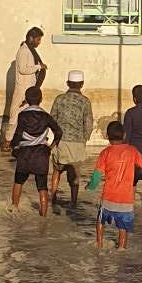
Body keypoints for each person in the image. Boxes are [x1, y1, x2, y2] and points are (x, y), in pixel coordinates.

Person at [87, 121, 142, 249]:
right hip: (126, 200)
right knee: (123, 227)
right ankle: (121, 248)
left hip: (108, 198)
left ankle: (99, 244)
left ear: (107, 136)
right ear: (124, 135)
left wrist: (91, 186)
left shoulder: (105, 153)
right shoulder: (132, 151)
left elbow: (97, 175)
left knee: (100, 221)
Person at [10, 86, 62, 217]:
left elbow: (18, 133)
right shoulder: (46, 116)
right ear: (41, 99)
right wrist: (50, 147)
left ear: (26, 100)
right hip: (41, 155)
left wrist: (13, 146)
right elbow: (59, 132)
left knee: (18, 181)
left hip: (25, 154)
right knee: (42, 186)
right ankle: (43, 216)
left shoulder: (22, 115)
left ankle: (14, 209)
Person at [49, 70, 93, 206]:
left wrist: (56, 137)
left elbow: (52, 119)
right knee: (74, 174)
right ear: (82, 84)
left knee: (57, 170)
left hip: (61, 141)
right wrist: (84, 139)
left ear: (67, 83)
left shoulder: (59, 98)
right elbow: (89, 123)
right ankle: (73, 202)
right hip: (77, 143)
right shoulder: (85, 101)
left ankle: (53, 198)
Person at [4, 27, 47, 148]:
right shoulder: (24, 51)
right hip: (22, 89)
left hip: (30, 89)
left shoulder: (30, 50)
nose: (39, 42)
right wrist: (38, 67)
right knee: (15, 114)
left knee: (29, 115)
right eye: (38, 39)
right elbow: (23, 69)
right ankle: (8, 141)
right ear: (31, 38)